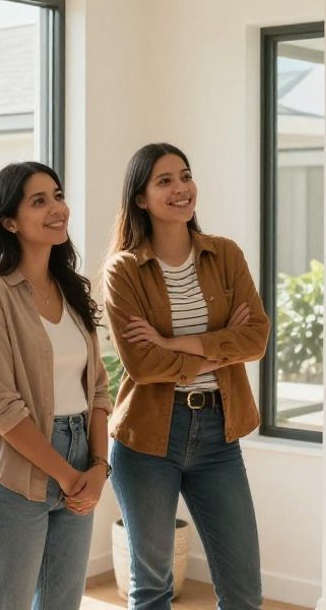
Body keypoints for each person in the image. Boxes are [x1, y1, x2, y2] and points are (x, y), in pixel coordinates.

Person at [102, 143, 270, 610]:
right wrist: (219, 348)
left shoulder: (225, 255)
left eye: (185, 175)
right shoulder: (123, 269)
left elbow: (255, 339)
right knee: (152, 587)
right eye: (164, 181)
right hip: (148, 439)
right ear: (140, 198)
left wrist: (173, 344)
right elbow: (141, 364)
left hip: (220, 432)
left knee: (244, 590)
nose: (181, 189)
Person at [0, 161, 111, 610]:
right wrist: (67, 476)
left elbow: (98, 388)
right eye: (38, 201)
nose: (57, 208)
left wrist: (98, 467)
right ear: (9, 220)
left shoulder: (71, 292)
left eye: (58, 196)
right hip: (12, 471)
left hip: (80, 454)